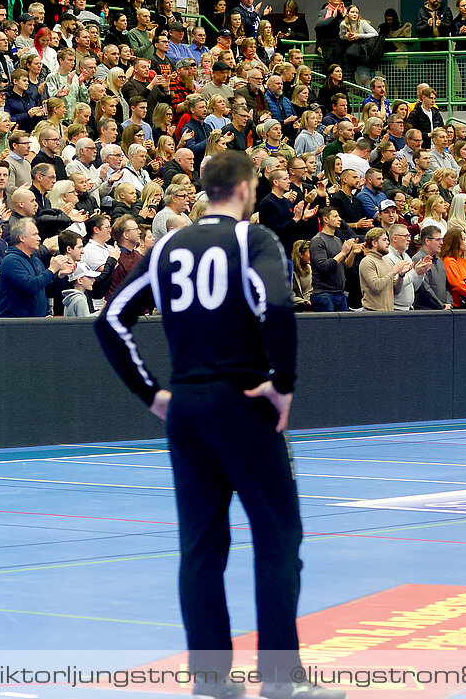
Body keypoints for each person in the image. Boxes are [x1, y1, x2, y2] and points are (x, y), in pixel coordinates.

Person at [95, 151, 337, 699]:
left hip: (187, 408)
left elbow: (111, 320)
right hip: (243, 402)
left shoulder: (164, 247)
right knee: (277, 537)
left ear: (205, 189)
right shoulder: (255, 241)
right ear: (248, 188)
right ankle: (280, 678)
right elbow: (276, 305)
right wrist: (284, 380)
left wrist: (152, 393)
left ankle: (211, 680)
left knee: (201, 547)